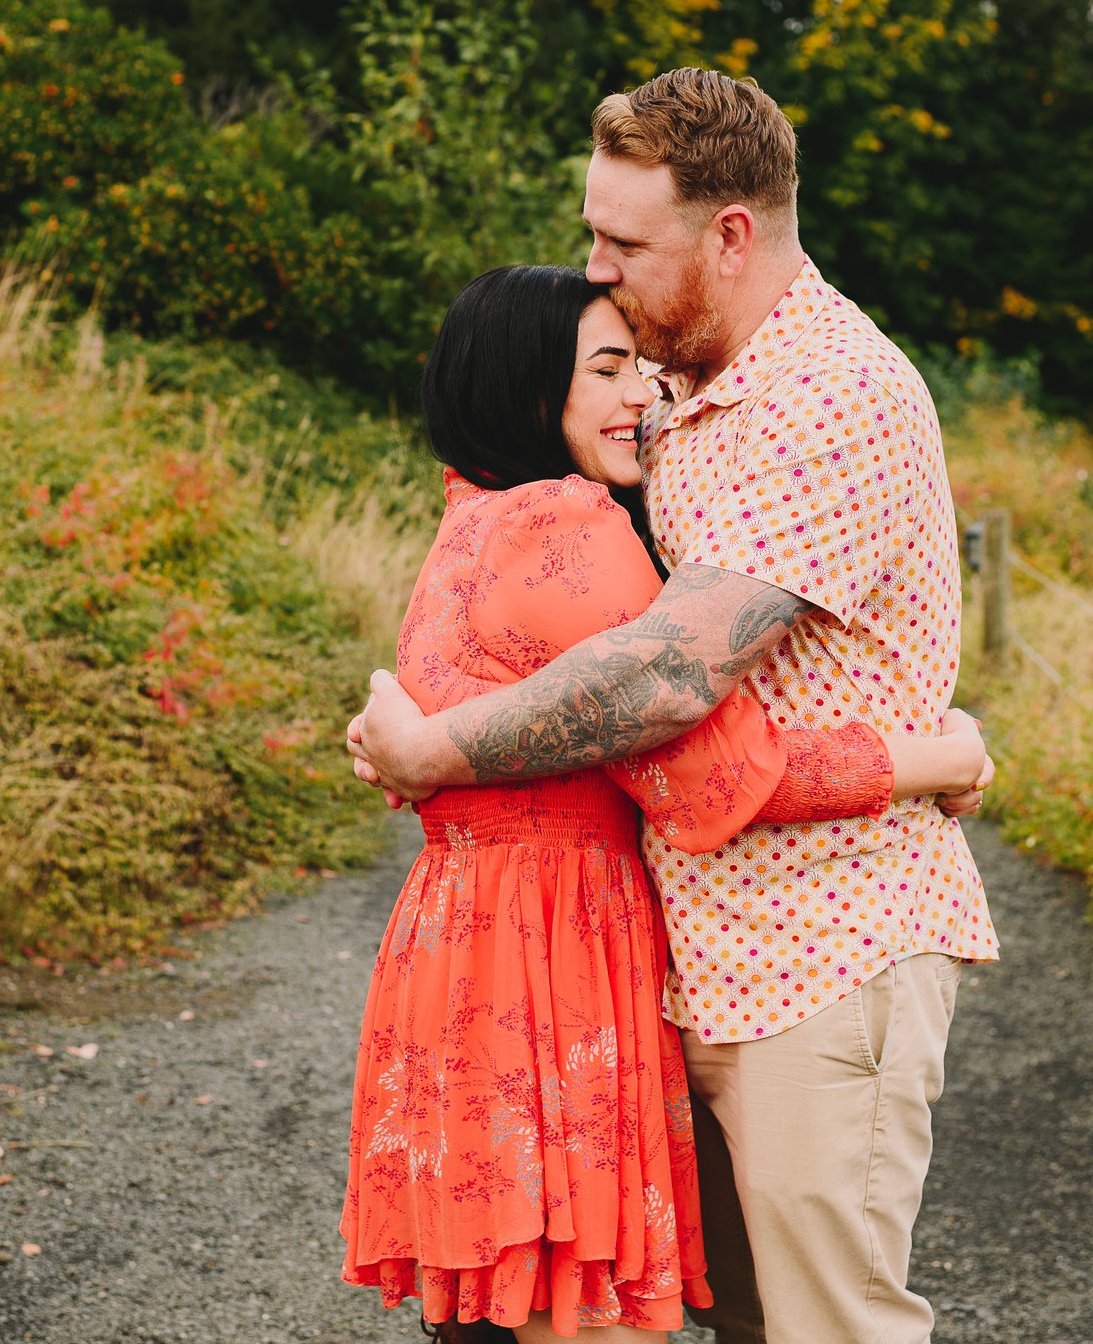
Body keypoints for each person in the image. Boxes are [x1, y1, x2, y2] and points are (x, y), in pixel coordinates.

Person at [349, 69, 998, 1344]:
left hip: (822, 948)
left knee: (825, 1329)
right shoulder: (686, 387)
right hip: (668, 959)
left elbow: (664, 677)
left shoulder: (831, 397)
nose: (595, 262)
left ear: (732, 235)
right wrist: (930, 752)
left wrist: (435, 745)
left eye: (621, 241)